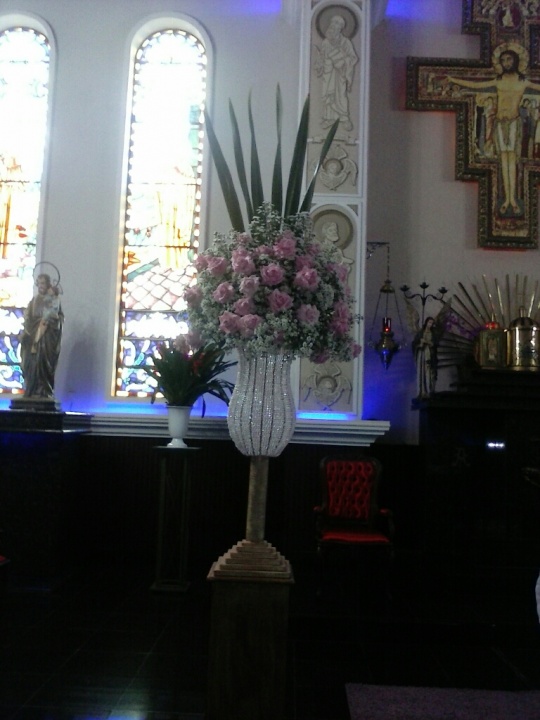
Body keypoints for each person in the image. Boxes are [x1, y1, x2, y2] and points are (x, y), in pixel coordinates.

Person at [448, 46, 540, 215]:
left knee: (512, 159)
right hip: (499, 123)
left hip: (514, 122)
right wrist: (454, 80)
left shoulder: (523, 82)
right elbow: (476, 85)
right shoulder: (498, 81)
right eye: (503, 60)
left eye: (509, 59)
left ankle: (512, 198)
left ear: (516, 61)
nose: (506, 63)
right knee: (503, 159)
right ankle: (507, 199)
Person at [20, 273, 64, 399]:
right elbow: (28, 318)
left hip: (47, 339)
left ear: (48, 284)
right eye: (39, 283)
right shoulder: (33, 301)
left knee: (44, 363)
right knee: (32, 363)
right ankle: (32, 389)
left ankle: (44, 390)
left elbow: (59, 317)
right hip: (33, 336)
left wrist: (51, 321)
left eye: (43, 283)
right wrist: (27, 329)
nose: (41, 286)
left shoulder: (54, 300)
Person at [315, 14, 358, 131]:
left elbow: (353, 58)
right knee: (329, 96)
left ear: (340, 28)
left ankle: (344, 118)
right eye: (332, 23)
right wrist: (320, 63)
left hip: (340, 73)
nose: (333, 26)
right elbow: (322, 57)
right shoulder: (325, 42)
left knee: (340, 95)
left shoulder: (345, 42)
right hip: (328, 73)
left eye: (336, 24)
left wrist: (342, 60)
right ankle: (329, 119)